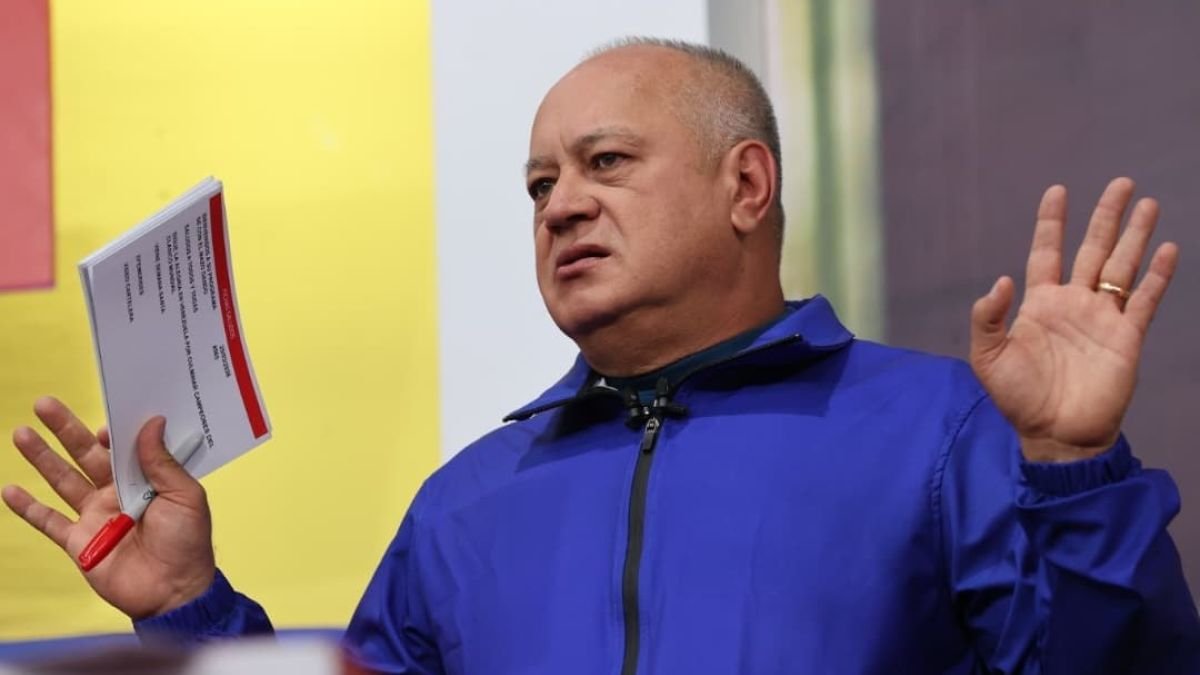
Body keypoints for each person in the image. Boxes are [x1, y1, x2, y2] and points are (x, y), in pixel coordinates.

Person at [4, 37, 1199, 674]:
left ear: (747, 184)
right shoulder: (465, 504)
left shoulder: (943, 429)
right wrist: (190, 610)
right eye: (539, 185)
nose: (561, 204)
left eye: (606, 163)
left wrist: (1071, 464)